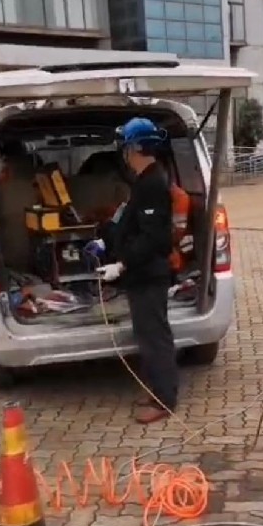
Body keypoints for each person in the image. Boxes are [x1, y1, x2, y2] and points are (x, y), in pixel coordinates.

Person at [97, 117, 178, 425]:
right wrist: (108, 240)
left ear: (138, 148)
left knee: (155, 337)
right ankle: (155, 388)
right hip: (140, 274)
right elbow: (133, 225)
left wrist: (123, 263)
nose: (125, 153)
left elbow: (153, 237)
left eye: (127, 147)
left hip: (149, 274)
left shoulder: (152, 184)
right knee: (145, 335)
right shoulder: (144, 181)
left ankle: (164, 399)